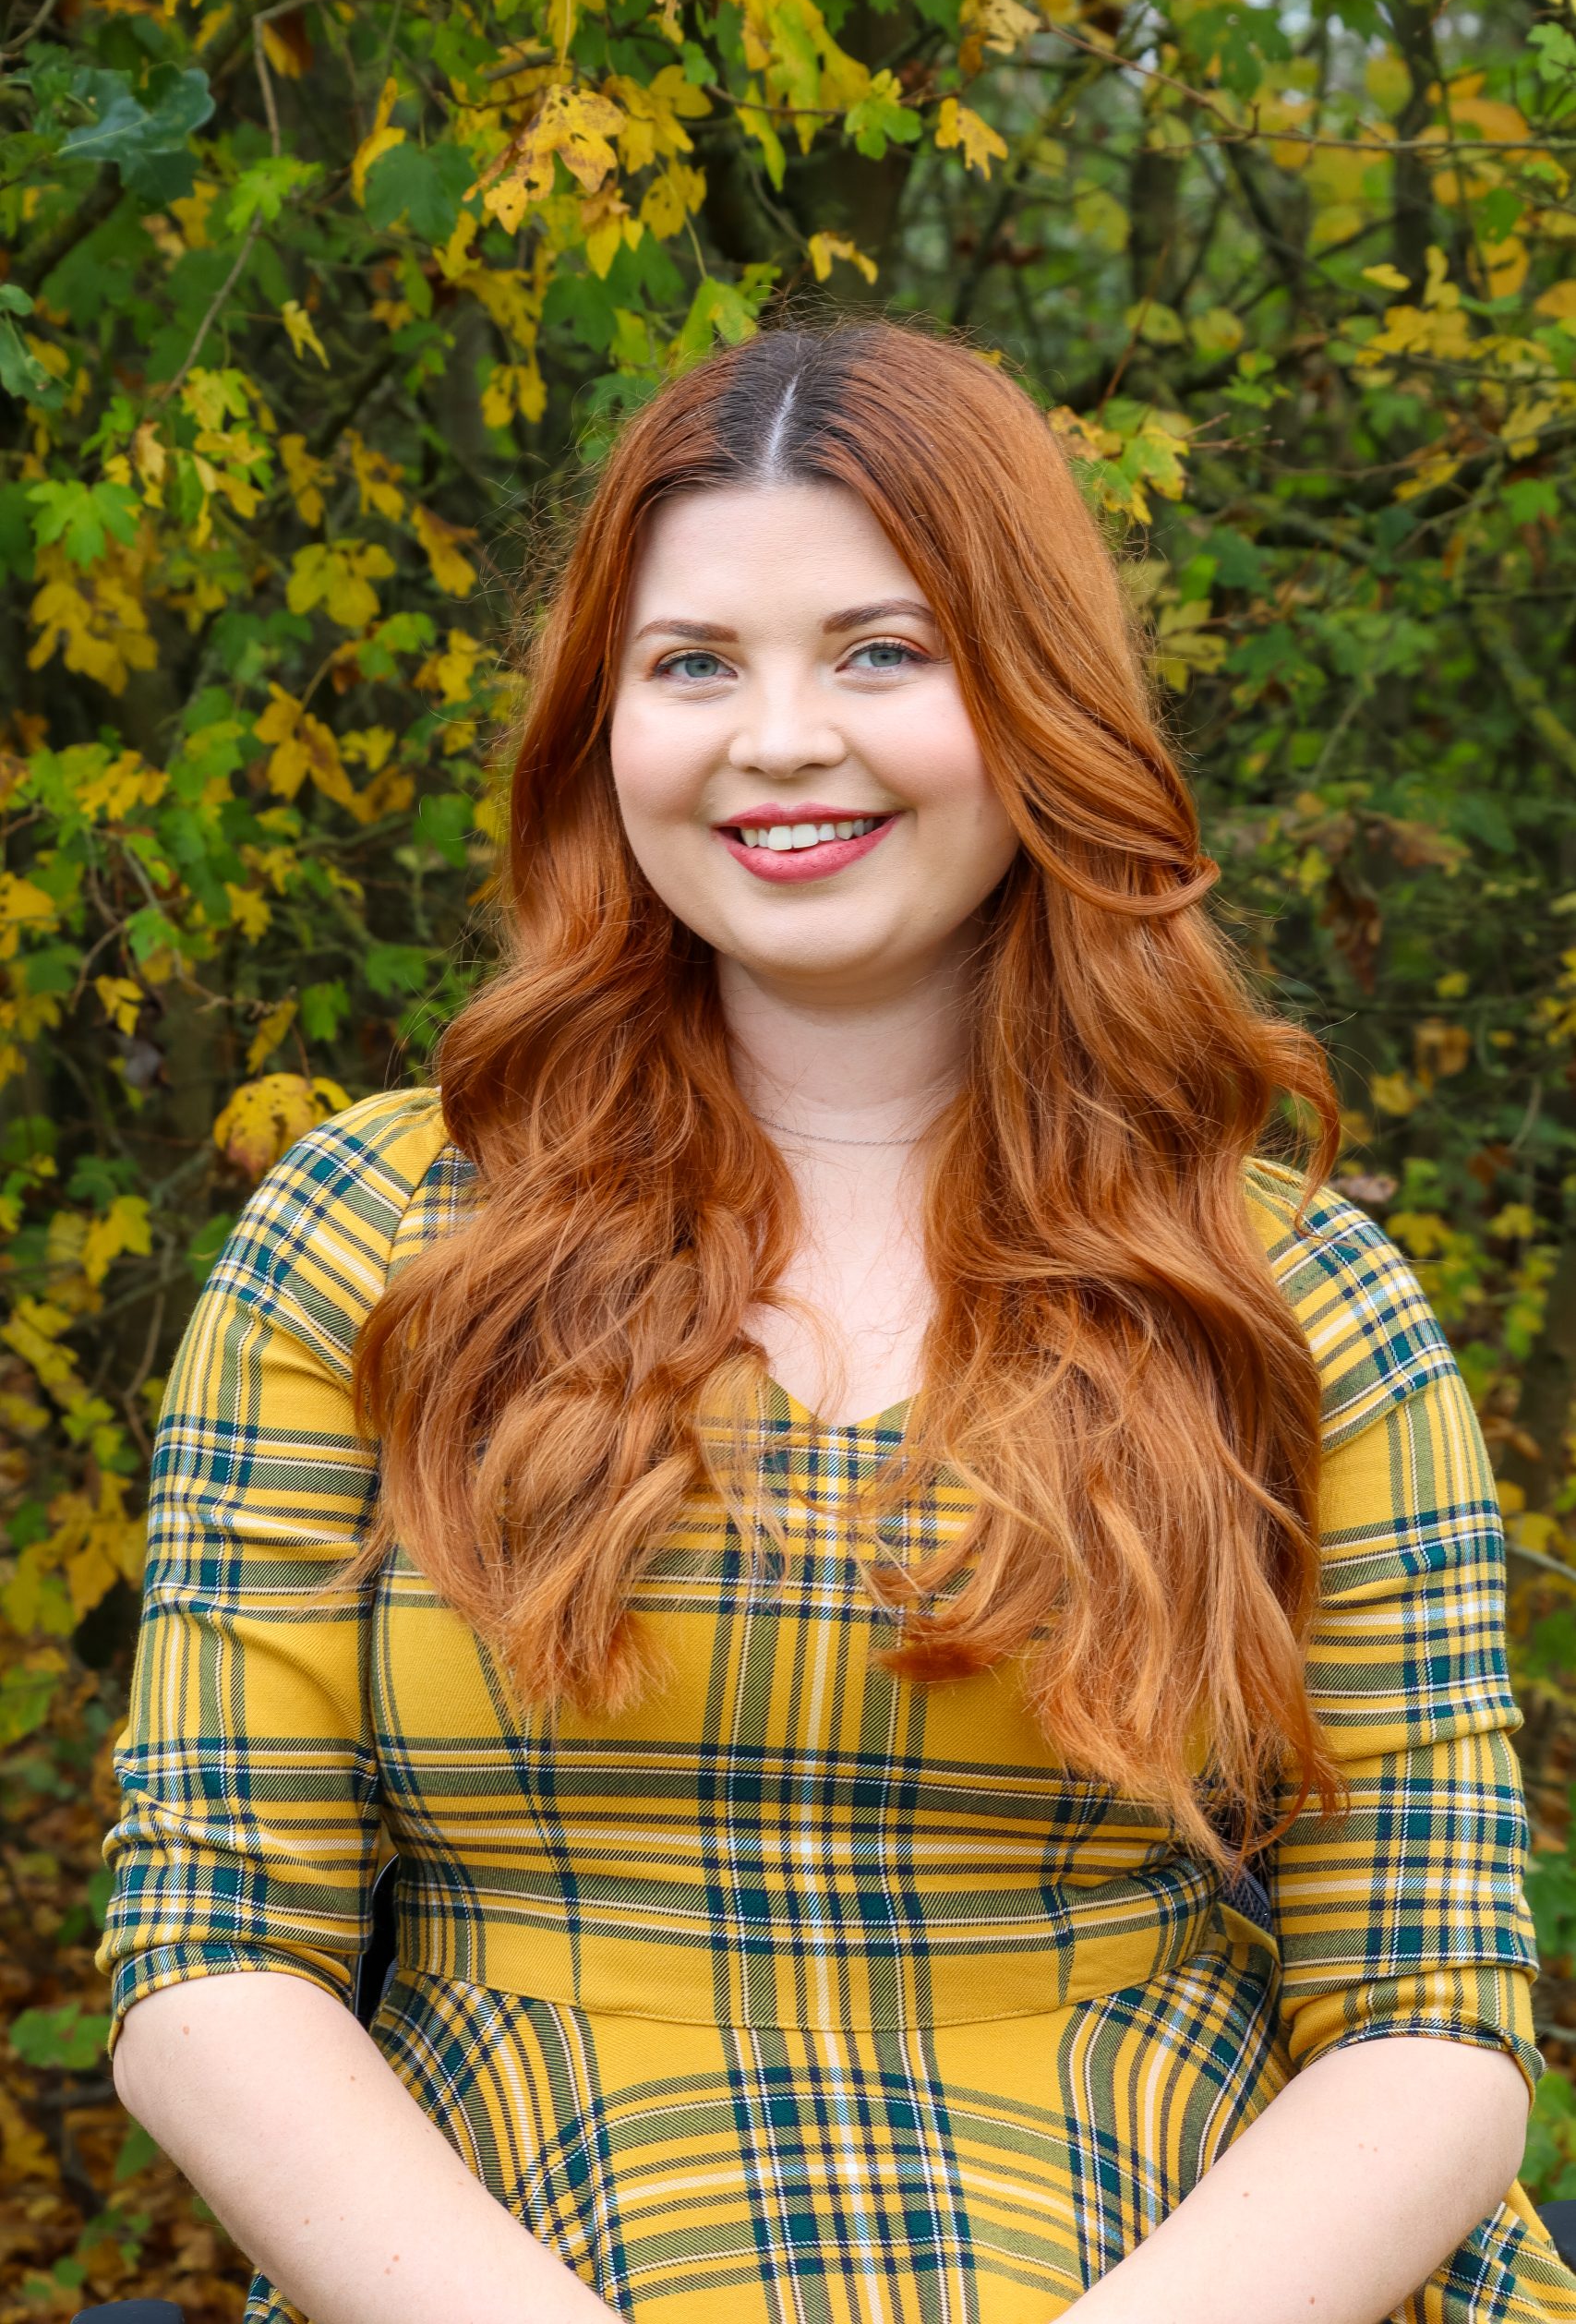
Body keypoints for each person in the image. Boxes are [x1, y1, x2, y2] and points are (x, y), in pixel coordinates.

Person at [97, 317, 1576, 2324]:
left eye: (880, 653)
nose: (776, 738)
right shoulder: (374, 1246)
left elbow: (1423, 2015)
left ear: (1037, 699)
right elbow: (209, 1951)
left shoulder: (1284, 1292)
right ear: (595, 723)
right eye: (690, 662)